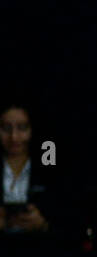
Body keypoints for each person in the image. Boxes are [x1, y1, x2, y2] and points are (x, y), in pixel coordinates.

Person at [1, 102, 64, 240]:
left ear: (32, 130)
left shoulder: (49, 169)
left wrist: (43, 225)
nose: (14, 137)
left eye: (22, 128)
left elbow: (69, 222)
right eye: (6, 128)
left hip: (39, 251)